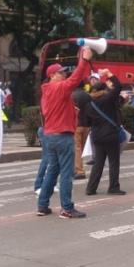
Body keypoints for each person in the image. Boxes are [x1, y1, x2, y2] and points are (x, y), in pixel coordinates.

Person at [37, 47, 95, 218]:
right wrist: (84, 60)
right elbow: (76, 78)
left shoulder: (46, 91)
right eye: (60, 73)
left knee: (52, 171)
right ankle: (67, 208)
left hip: (50, 135)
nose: (64, 75)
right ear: (52, 76)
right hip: (62, 135)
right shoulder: (59, 88)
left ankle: (42, 205)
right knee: (66, 173)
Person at [84, 70, 126, 196]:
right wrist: (109, 74)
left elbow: (87, 122)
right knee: (113, 161)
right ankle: (113, 187)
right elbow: (118, 86)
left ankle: (91, 188)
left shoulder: (89, 103)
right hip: (110, 135)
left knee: (98, 162)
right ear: (104, 89)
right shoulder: (107, 99)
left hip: (96, 136)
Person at [72, 85, 92, 180]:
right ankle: (78, 168)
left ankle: (79, 171)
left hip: (76, 125)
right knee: (82, 148)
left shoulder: (72, 95)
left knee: (77, 148)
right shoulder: (87, 95)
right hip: (87, 125)